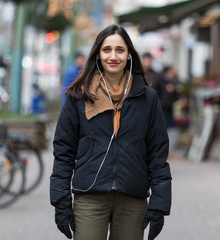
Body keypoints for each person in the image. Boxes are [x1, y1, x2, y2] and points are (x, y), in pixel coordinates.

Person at [50, 24, 172, 240]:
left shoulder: (147, 97)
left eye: (120, 50)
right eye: (107, 50)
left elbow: (157, 152)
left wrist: (160, 202)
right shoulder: (80, 95)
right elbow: (64, 150)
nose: (113, 56)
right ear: (98, 53)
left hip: (132, 197)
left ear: (129, 55)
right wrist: (60, 200)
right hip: (90, 195)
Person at [152, 65, 181, 150]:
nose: (173, 74)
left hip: (169, 108)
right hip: (161, 107)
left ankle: (169, 146)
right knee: (163, 126)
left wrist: (175, 90)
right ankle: (162, 146)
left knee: (170, 126)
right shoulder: (160, 80)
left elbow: (176, 96)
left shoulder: (175, 81)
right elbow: (155, 91)